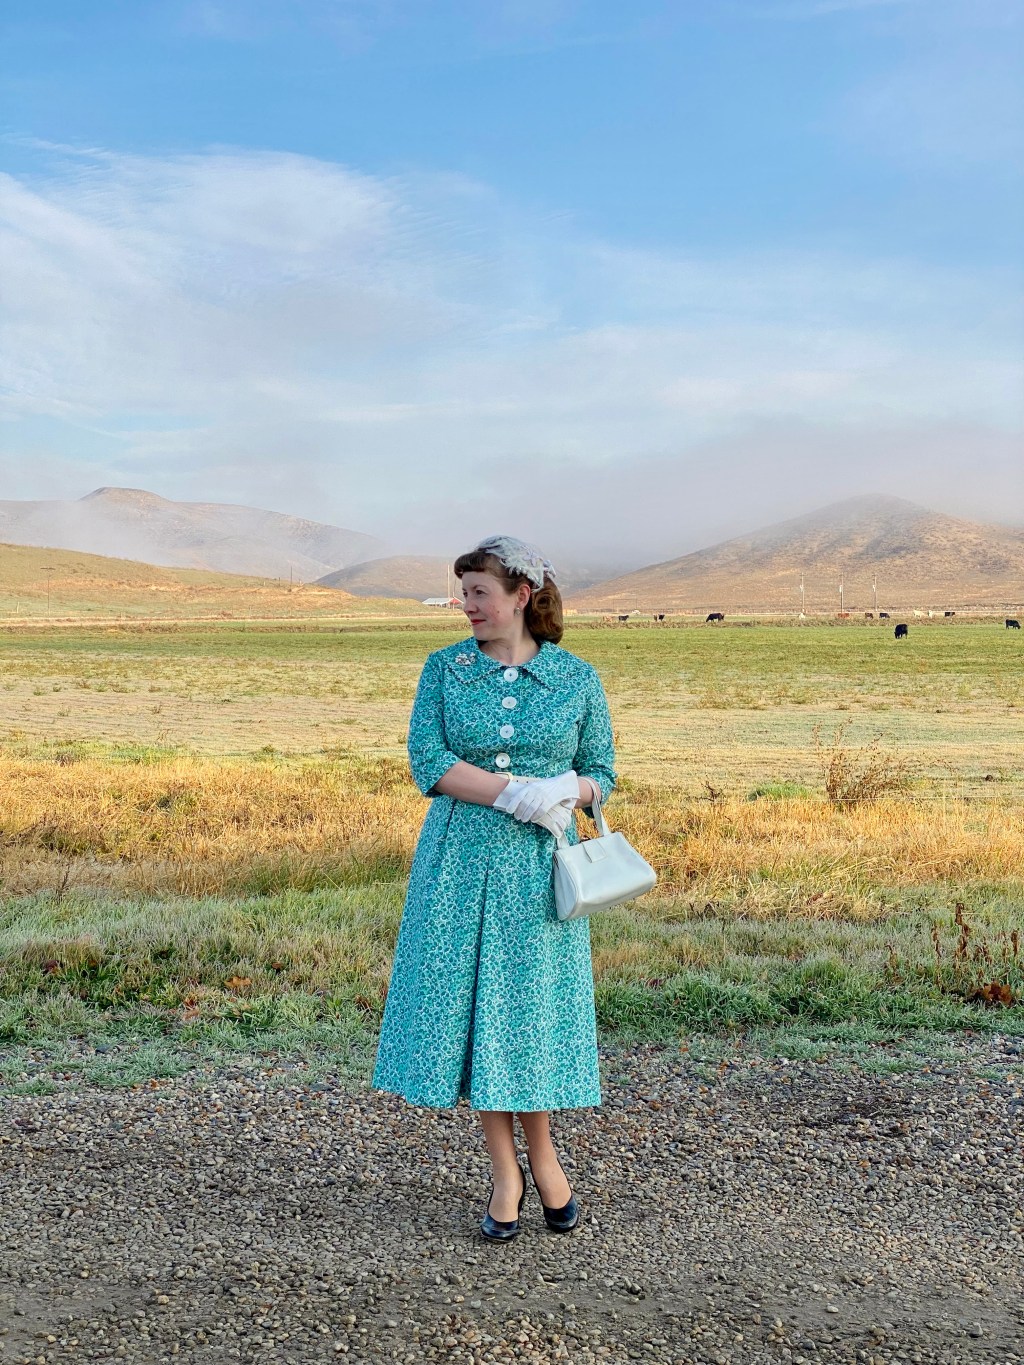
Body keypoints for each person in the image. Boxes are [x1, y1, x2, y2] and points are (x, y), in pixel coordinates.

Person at [371, 534, 617, 1241]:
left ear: (521, 595)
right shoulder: (444, 669)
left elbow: (603, 770)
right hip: (458, 863)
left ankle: (544, 1157)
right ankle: (507, 1170)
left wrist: (566, 789)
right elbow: (428, 759)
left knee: (526, 1012)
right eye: (463, 593)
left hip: (540, 871)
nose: (467, 605)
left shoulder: (576, 677)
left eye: (479, 592)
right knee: (478, 1010)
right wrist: (511, 793)